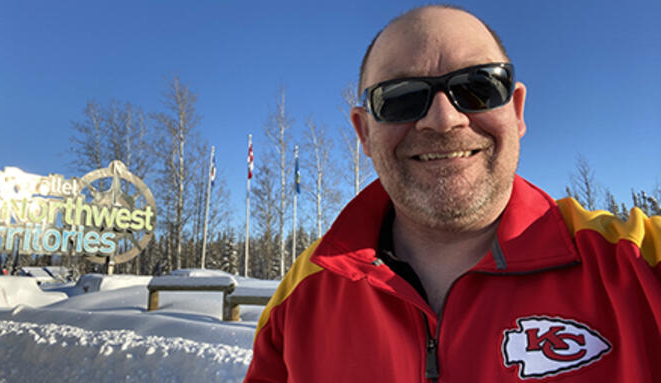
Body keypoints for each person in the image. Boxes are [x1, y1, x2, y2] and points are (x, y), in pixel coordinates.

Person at [245, 5, 660, 382]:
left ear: (516, 111)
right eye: (402, 98)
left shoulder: (639, 267)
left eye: (478, 87)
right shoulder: (301, 300)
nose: (443, 120)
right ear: (364, 133)